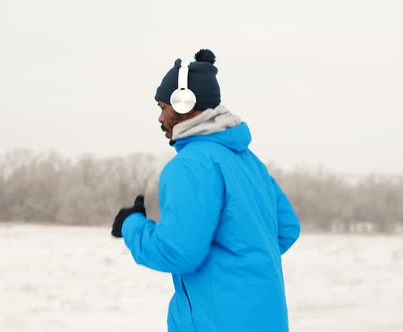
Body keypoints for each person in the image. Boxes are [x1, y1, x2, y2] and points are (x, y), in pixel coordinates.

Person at [111, 49, 300, 332]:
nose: (160, 118)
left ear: (185, 103)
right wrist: (237, 259)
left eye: (163, 107)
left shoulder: (190, 166)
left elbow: (178, 252)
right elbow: (286, 229)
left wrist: (131, 225)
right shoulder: (250, 163)